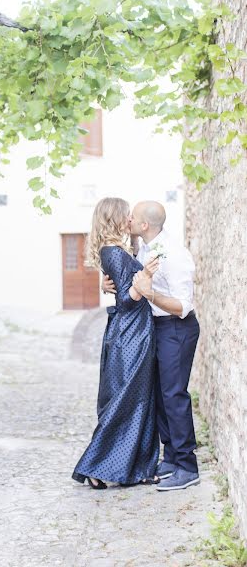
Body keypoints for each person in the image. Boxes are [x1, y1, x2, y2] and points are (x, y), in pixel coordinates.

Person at [102, 201, 201, 491]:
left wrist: (150, 294)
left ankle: (187, 465)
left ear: (144, 225)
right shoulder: (142, 247)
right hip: (154, 328)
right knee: (159, 395)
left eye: (132, 216)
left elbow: (183, 306)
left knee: (173, 395)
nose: (127, 218)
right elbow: (128, 278)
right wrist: (108, 285)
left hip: (176, 328)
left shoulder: (176, 255)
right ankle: (170, 457)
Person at [72, 197, 160, 490]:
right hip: (131, 334)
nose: (130, 219)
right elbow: (125, 300)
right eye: (127, 214)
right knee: (127, 401)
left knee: (140, 401)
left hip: (134, 332)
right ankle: (94, 466)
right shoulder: (114, 253)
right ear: (116, 218)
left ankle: (137, 468)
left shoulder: (116, 251)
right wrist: (143, 278)